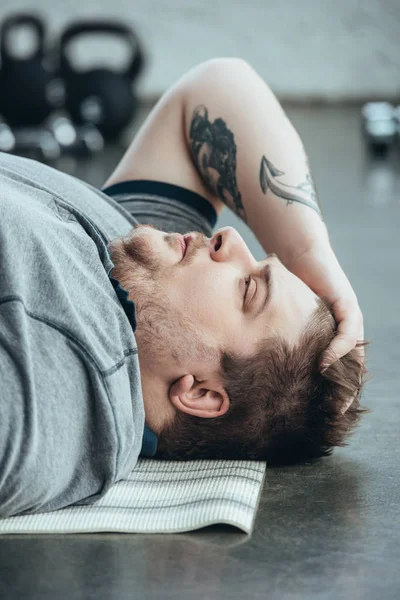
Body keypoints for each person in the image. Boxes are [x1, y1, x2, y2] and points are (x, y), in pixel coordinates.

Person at [0, 58, 367, 518]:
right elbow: (217, 85)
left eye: (248, 289)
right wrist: (310, 253)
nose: (231, 240)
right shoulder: (137, 264)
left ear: (200, 394)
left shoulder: (58, 403)